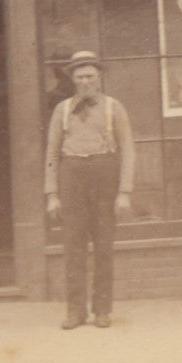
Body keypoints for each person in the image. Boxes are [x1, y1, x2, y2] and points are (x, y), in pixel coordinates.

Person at [44, 51, 135, 330]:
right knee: (73, 247)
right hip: (72, 175)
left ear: (99, 78)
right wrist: (52, 194)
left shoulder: (113, 107)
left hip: (104, 173)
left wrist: (124, 191)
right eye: (80, 77)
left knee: (104, 245)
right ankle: (75, 311)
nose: (85, 82)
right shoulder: (61, 110)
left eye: (90, 76)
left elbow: (128, 150)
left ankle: (102, 310)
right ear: (72, 79)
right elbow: (51, 153)